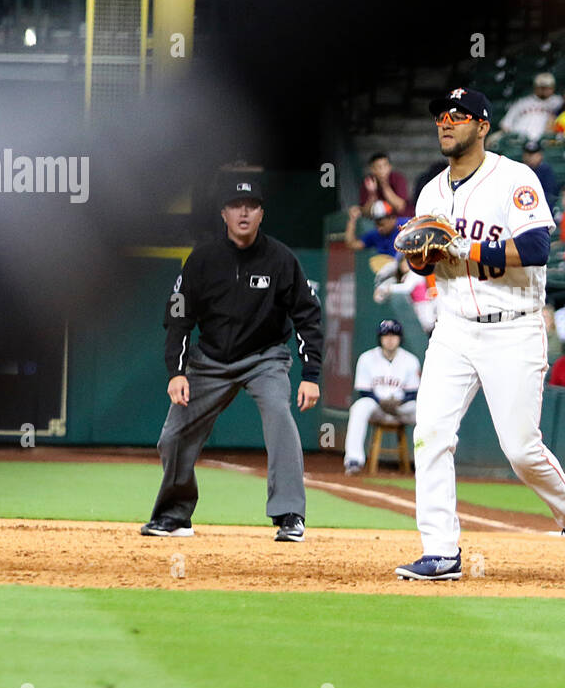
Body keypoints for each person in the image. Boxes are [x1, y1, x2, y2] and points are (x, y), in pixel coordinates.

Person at [401, 86, 565, 580]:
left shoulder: (514, 178)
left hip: (513, 327)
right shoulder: (430, 192)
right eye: (441, 115)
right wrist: (421, 257)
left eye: (458, 115)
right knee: (430, 435)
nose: (446, 122)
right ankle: (441, 551)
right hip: (453, 330)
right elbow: (427, 263)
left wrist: (464, 251)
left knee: (521, 450)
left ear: (483, 126)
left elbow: (536, 248)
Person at [142, 176, 323, 542]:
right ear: (224, 213)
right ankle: (175, 515)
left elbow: (308, 316)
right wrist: (177, 372)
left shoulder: (281, 259)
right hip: (209, 361)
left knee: (279, 417)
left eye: (252, 205)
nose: (244, 212)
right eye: (237, 206)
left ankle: (290, 514)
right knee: (172, 436)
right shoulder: (203, 259)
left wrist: (311, 374)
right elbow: (179, 317)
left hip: (265, 358)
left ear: (261, 213)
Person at [343, 319, 421, 475]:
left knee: (425, 413)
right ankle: (354, 460)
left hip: (402, 408)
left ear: (400, 338)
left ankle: (427, 464)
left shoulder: (411, 360)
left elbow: (413, 392)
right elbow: (364, 390)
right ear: (380, 338)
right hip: (377, 407)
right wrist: (381, 402)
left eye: (394, 335)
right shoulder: (366, 358)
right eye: (386, 335)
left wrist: (399, 402)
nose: (390, 339)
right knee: (359, 406)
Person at [497, 72, 563, 145]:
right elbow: (505, 124)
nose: (544, 90)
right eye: (541, 87)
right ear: (535, 87)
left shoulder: (558, 101)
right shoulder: (523, 102)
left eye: (547, 87)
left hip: (542, 142)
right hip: (519, 140)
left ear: (553, 88)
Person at [359, 153, 410, 217]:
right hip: (378, 221)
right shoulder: (368, 182)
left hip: (398, 218)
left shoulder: (398, 178)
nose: (382, 170)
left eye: (385, 166)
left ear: (390, 167)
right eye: (378, 167)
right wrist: (372, 193)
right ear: (372, 170)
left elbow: (400, 207)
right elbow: (365, 213)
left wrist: (384, 184)